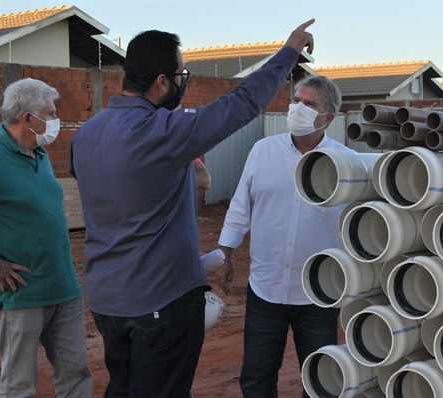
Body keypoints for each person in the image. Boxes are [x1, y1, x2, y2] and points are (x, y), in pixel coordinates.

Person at [69, 20, 316, 397]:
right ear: (161, 83)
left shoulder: (86, 134)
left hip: (108, 302)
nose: (183, 83)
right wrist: (289, 51)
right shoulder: (163, 131)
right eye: (180, 74)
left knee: (123, 387)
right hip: (161, 302)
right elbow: (243, 102)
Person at [217, 75, 354, 398]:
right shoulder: (262, 151)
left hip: (318, 293)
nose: (298, 108)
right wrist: (227, 252)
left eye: (309, 104)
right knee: (256, 379)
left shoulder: (345, 163)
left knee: (320, 381)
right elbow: (241, 205)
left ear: (328, 118)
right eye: (296, 100)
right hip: (266, 289)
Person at [0, 78, 92, 397]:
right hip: (22, 294)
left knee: (76, 374)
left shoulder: (37, 152)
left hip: (63, 287)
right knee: (18, 384)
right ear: (28, 118)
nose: (56, 121)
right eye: (50, 113)